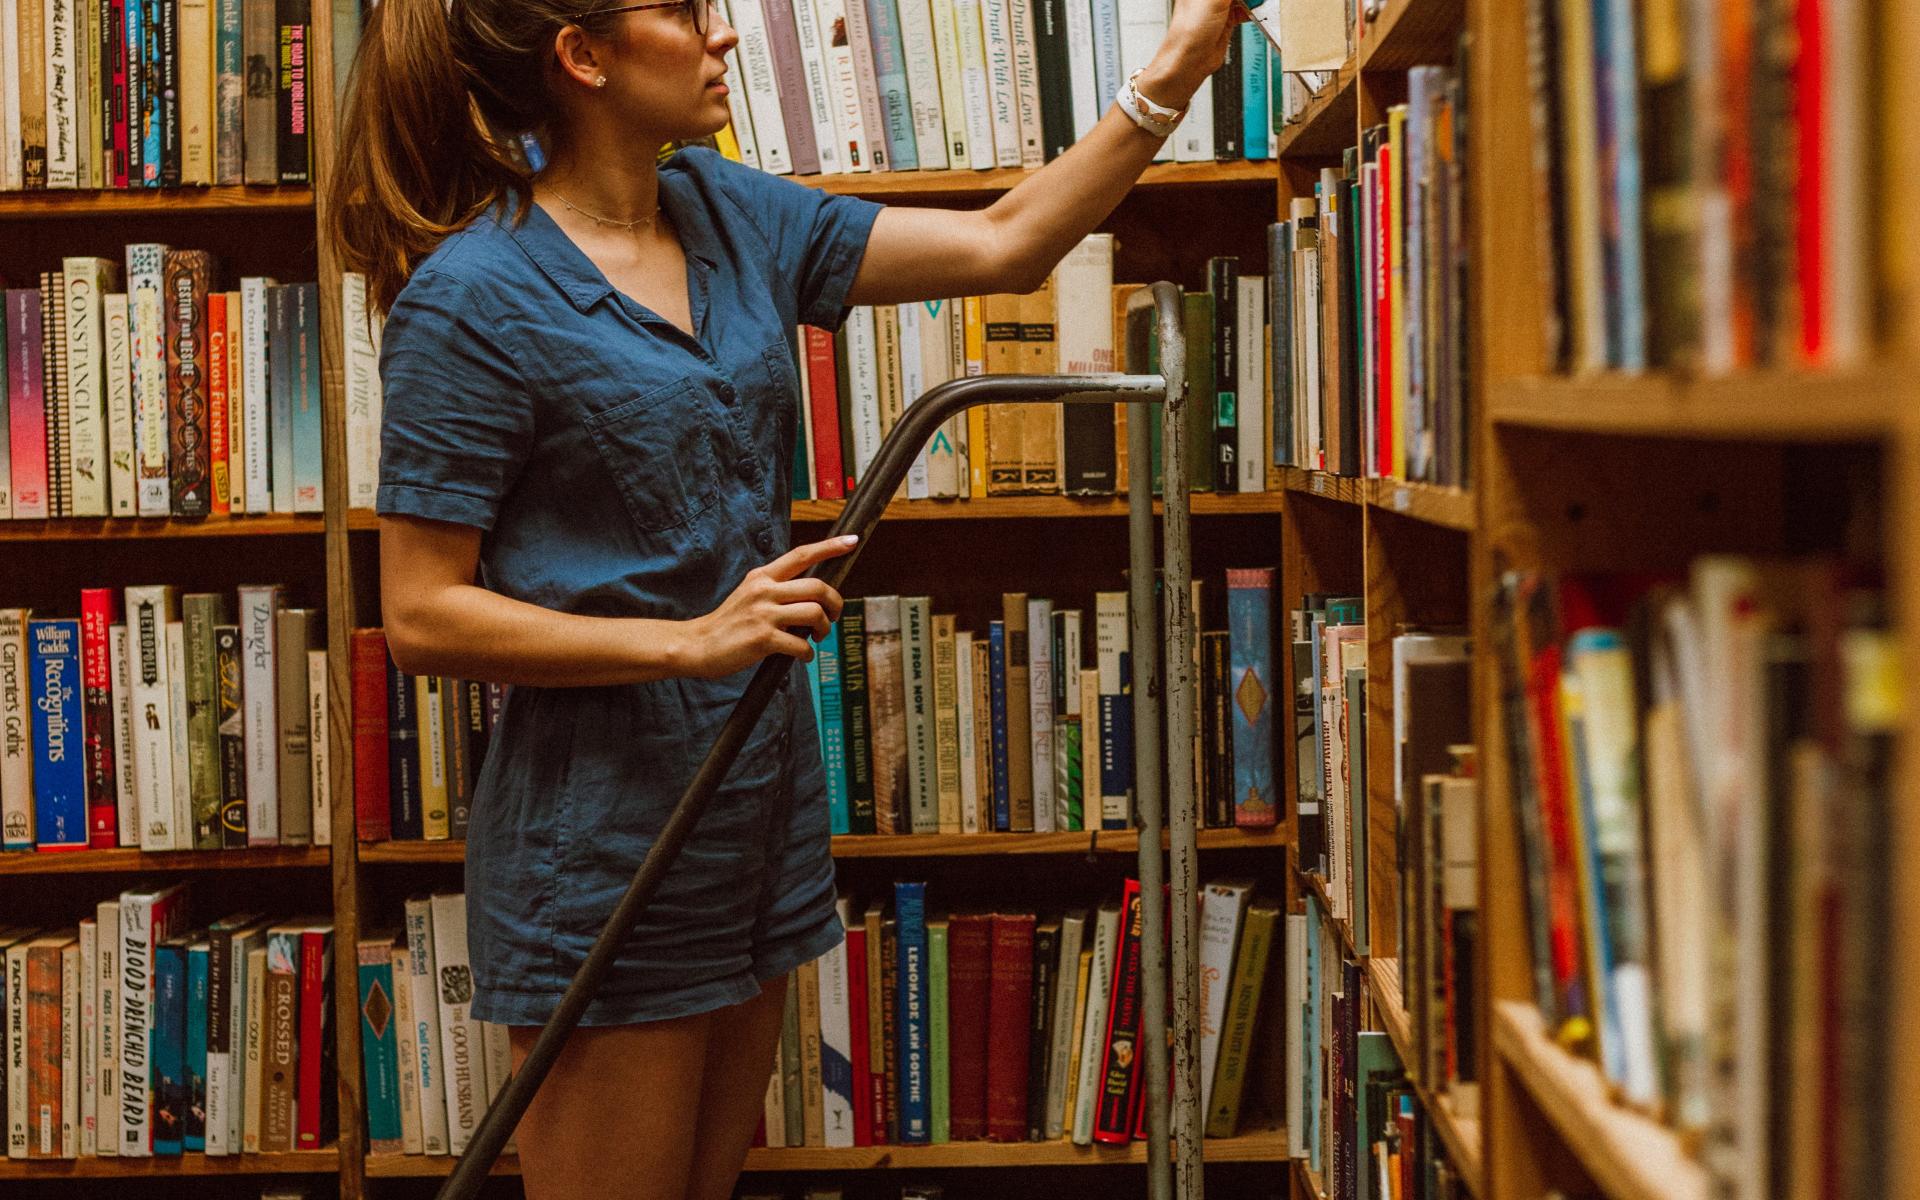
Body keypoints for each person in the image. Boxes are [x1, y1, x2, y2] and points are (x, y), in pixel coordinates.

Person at [325, 0, 1238, 1190]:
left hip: (756, 814)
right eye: (686, 12)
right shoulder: (473, 298)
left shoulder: (726, 208)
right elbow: (423, 614)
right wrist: (688, 642)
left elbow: (1006, 243)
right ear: (584, 55)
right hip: (604, 846)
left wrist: (1174, 69)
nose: (728, 37)